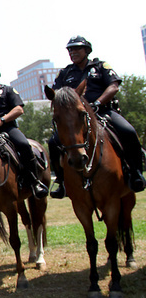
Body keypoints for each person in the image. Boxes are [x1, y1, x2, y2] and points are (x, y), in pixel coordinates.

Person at [48, 35, 145, 198]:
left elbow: (114, 86)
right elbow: (56, 93)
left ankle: (135, 173)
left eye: (77, 48)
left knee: (128, 131)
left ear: (87, 50)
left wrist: (98, 103)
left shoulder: (100, 66)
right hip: (77, 118)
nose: (73, 52)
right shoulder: (65, 73)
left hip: (103, 111)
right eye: (70, 49)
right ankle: (62, 181)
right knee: (53, 142)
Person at [0, 63, 48, 199]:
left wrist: (2, 120)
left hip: (7, 128)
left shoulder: (8, 90)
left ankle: (34, 181)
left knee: (24, 145)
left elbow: (19, 109)